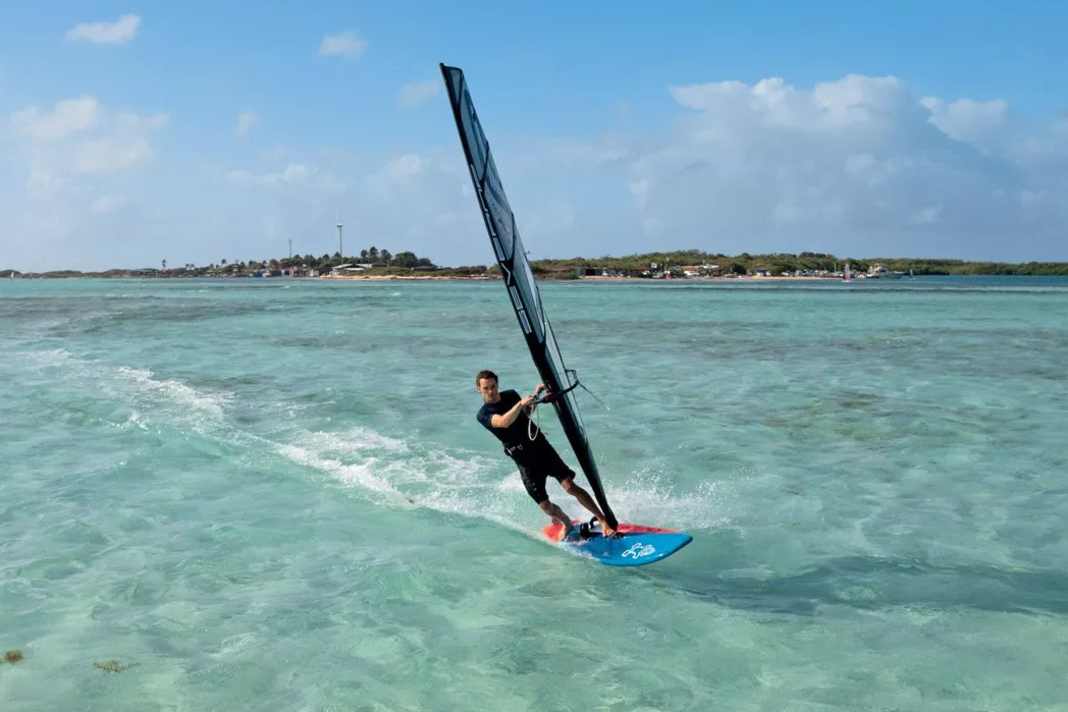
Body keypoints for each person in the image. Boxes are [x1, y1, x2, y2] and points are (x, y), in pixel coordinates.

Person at [474, 369, 617, 538]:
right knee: (545, 507)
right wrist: (520, 404)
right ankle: (566, 522)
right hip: (524, 461)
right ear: (479, 389)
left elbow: (525, 415)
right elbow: (503, 422)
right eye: (486, 388)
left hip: (540, 448)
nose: (491, 391)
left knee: (570, 486)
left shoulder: (511, 395)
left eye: (493, 386)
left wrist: (536, 395)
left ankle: (603, 520)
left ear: (497, 384)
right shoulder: (483, 414)